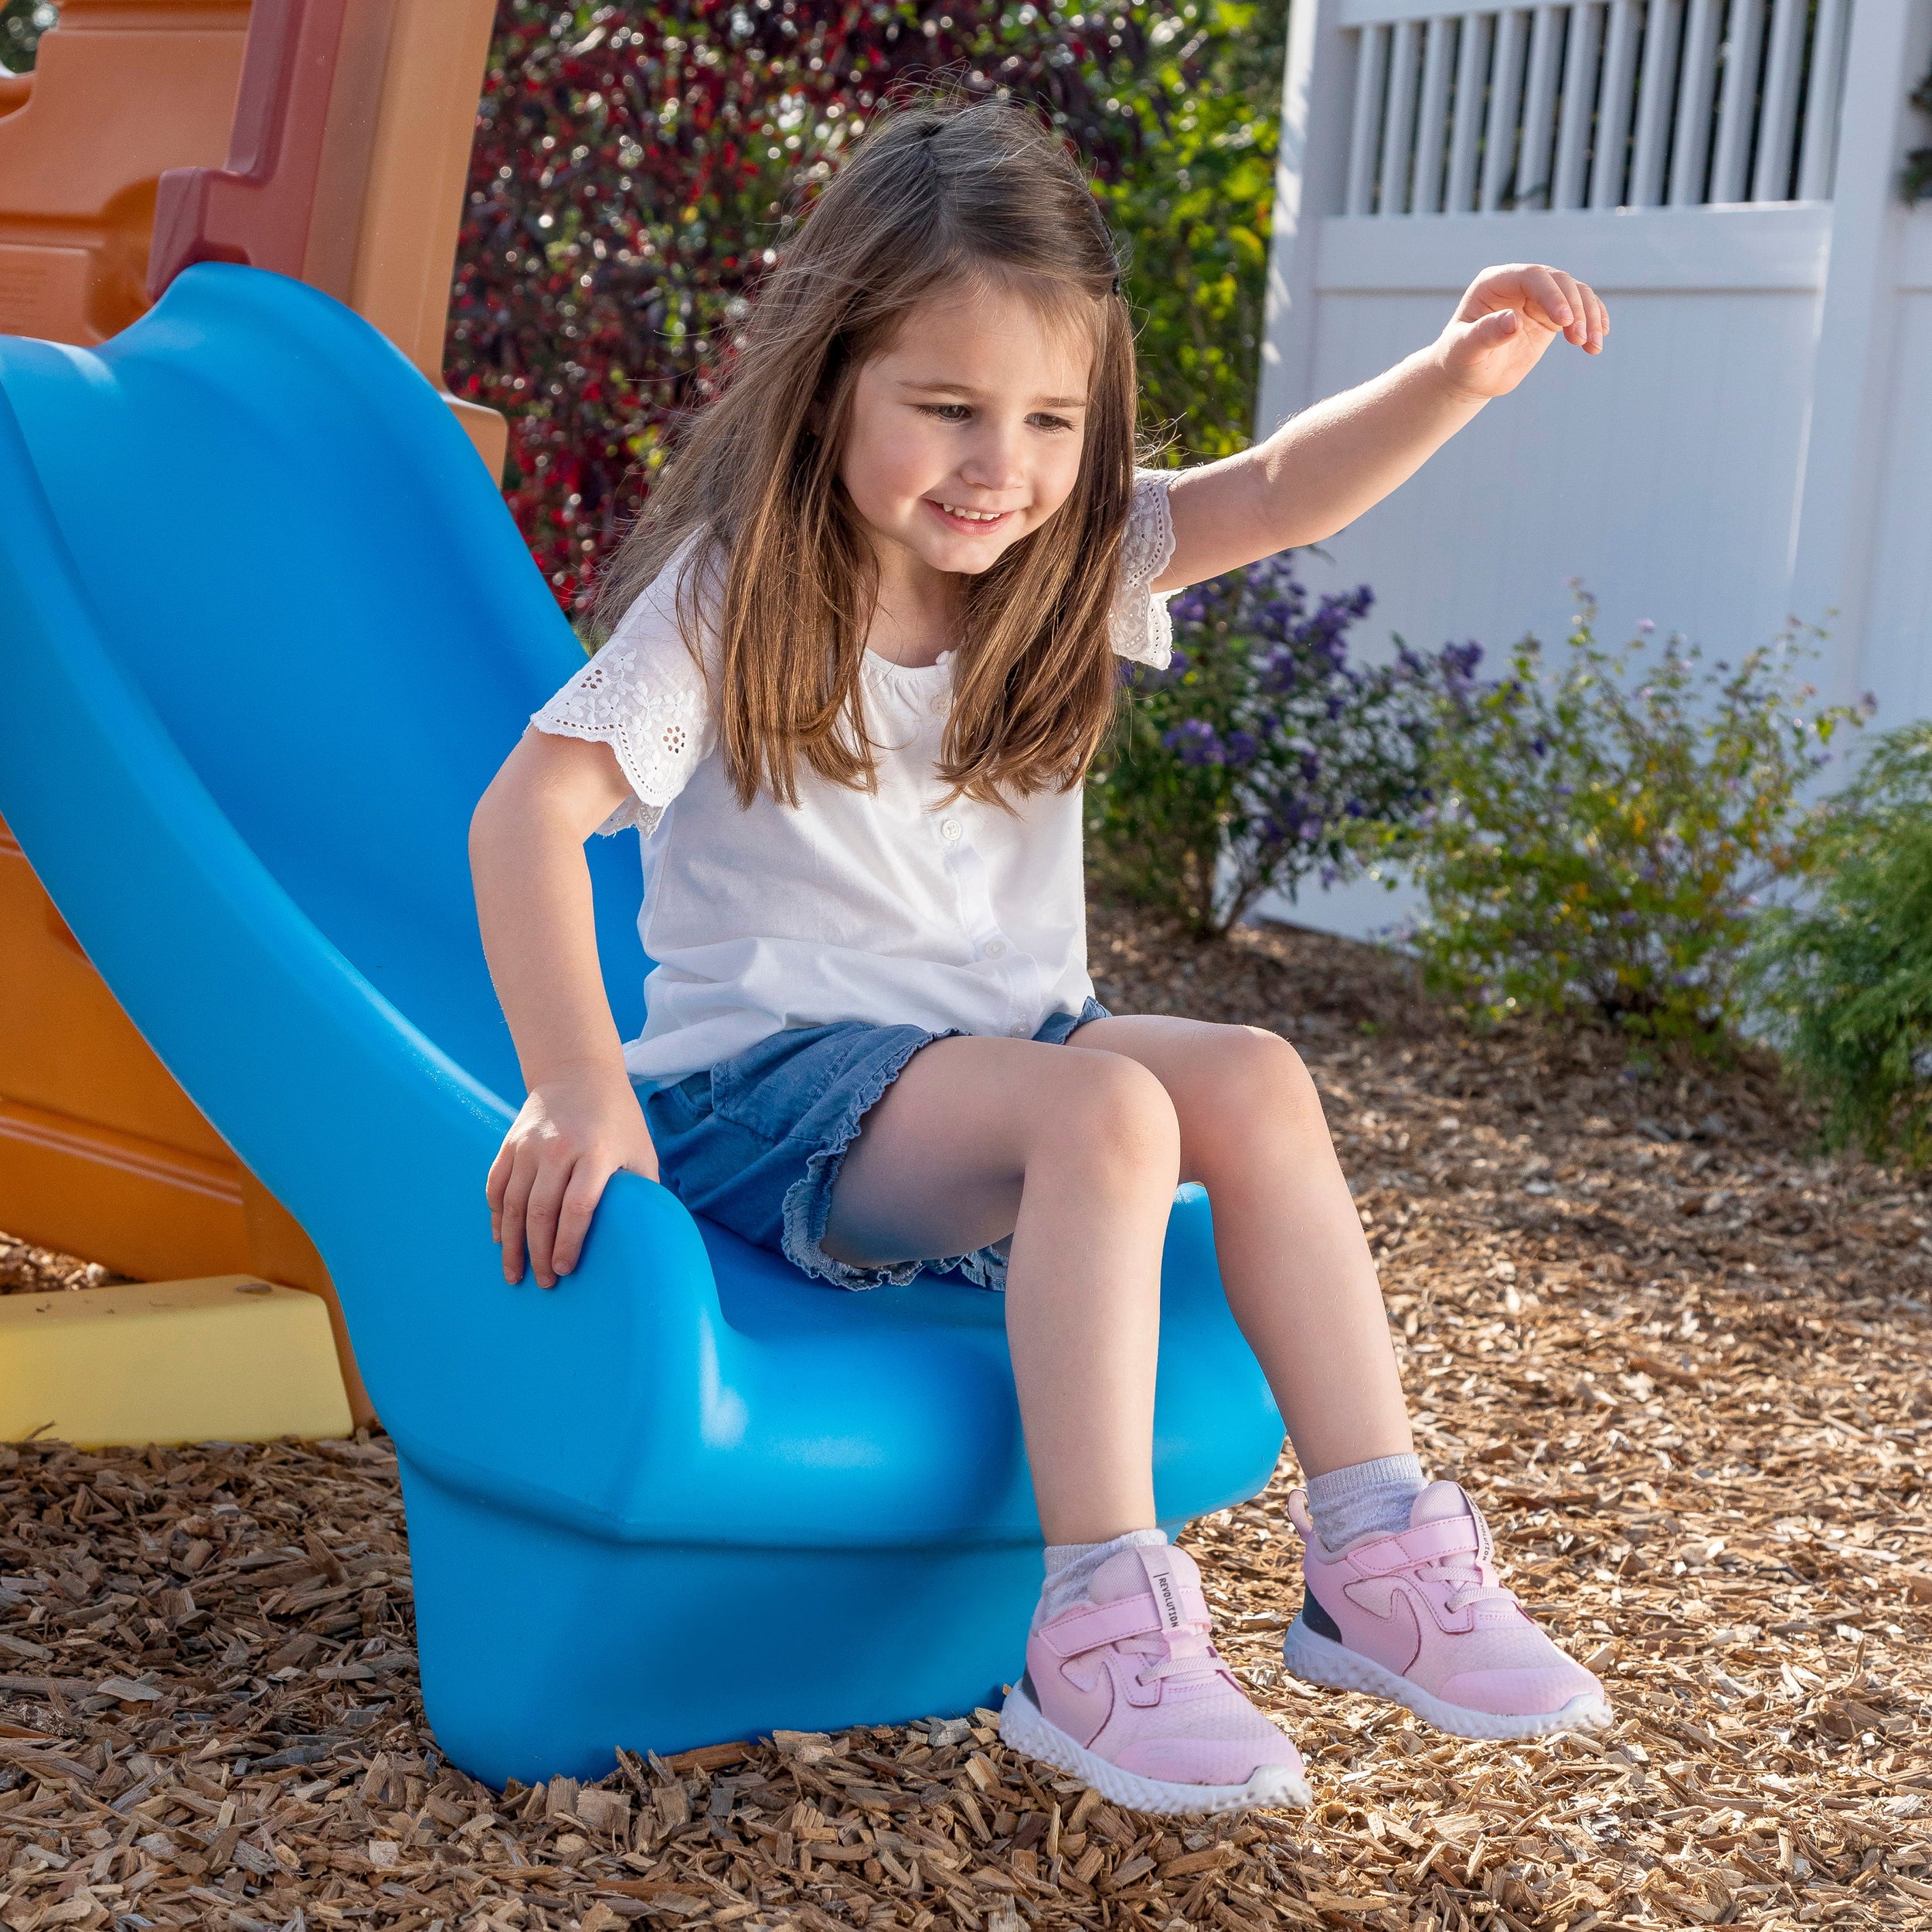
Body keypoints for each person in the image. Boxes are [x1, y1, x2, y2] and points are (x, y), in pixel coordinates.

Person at [469, 91, 1614, 1818]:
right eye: (944, 408)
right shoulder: (733, 592)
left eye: (1045, 419)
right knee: (1102, 1118)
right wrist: (576, 1089)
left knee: (1247, 1074)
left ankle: (1373, 1548)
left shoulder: (1052, 574)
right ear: (827, 378)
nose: (997, 463)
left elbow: (1282, 490)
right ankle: (1100, 1619)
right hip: (762, 1104)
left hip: (991, 1071)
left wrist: (1452, 376)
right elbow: (522, 817)